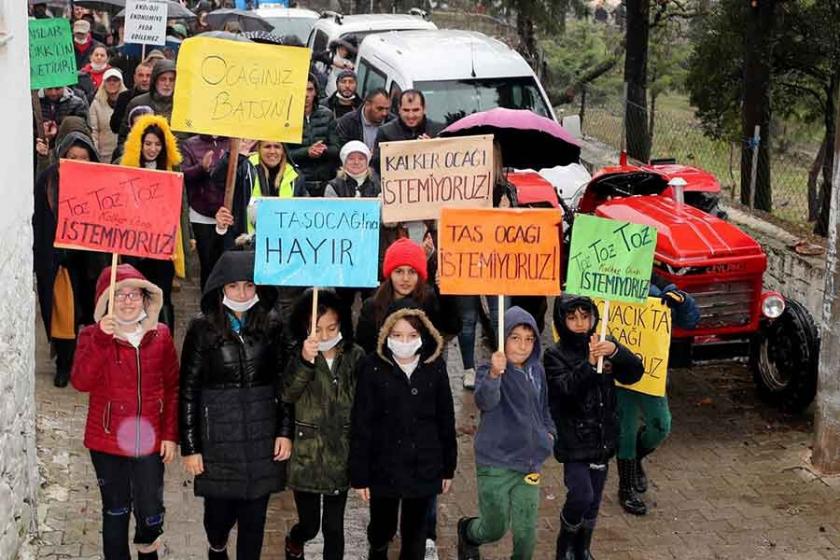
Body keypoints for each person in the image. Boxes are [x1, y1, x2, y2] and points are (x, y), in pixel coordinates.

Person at [180, 250, 293, 560]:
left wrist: (285, 431)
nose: (242, 293)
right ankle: (216, 547)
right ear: (220, 289)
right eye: (233, 286)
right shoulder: (201, 329)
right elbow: (188, 389)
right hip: (219, 441)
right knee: (218, 520)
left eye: (248, 285)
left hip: (261, 439)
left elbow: (284, 384)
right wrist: (190, 447)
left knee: (254, 523)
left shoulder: (272, 325)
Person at [71, 264, 179, 560]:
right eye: (119, 295)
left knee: (150, 511)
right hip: (107, 440)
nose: (128, 301)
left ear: (147, 300)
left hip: (149, 440)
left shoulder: (161, 336)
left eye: (134, 295)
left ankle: (148, 551)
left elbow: (172, 388)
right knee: (116, 511)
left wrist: (170, 434)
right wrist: (101, 340)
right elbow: (81, 381)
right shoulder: (92, 336)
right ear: (106, 301)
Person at [350, 301, 457, 560]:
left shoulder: (435, 367)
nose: (404, 342)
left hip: (424, 466)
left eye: (411, 335)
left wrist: (448, 467)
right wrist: (360, 474)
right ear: (386, 335)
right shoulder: (372, 367)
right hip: (383, 466)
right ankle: (377, 549)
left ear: (423, 335)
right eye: (397, 335)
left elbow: (446, 418)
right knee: (381, 527)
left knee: (415, 535)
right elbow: (361, 422)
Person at [545, 295, 644, 559]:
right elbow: (564, 391)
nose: (580, 323)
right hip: (574, 439)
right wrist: (589, 365)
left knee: (594, 500)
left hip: (603, 437)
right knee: (581, 494)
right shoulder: (554, 354)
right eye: (572, 317)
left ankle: (582, 546)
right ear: (561, 320)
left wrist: (615, 352)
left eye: (585, 316)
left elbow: (634, 373)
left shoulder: (603, 342)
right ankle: (564, 544)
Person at [457, 307, 556, 560]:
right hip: (496, 464)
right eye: (515, 338)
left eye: (529, 339)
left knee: (526, 536)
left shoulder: (537, 371)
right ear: (502, 340)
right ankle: (469, 532)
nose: (523, 346)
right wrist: (493, 374)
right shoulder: (488, 369)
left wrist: (549, 434)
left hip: (529, 464)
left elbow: (544, 407)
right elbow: (485, 401)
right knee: (494, 528)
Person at [282, 289, 366, 560]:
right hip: (306, 456)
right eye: (318, 329)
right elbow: (287, 393)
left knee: (333, 527)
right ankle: (295, 539)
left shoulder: (355, 356)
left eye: (332, 328)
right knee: (309, 524)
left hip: (339, 454)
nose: (326, 335)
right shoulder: (296, 353)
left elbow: (364, 400)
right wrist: (305, 361)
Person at [615, 283, 699, 516]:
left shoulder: (657, 290)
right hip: (618, 375)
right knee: (625, 429)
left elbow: (691, 320)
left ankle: (637, 456)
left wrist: (681, 302)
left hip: (649, 373)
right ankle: (626, 485)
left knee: (661, 424)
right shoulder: (602, 288)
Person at [33, 129, 107, 387]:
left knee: (91, 316)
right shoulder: (48, 180)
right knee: (64, 316)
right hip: (61, 262)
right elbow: (40, 222)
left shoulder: (100, 183)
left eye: (83, 157)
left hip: (91, 264)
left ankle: (87, 364)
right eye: (71, 155)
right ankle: (64, 364)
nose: (77, 161)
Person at [118, 114, 182, 332]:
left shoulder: (171, 172)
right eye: (148, 143)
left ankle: (165, 341)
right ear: (139, 143)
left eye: (157, 144)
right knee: (134, 294)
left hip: (162, 247)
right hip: (133, 245)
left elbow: (181, 207)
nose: (152, 149)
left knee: (161, 294)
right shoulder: (125, 168)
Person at [355, 238, 456, 354]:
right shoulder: (372, 306)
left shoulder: (429, 300)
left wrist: (445, 294)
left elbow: (451, 327)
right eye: (399, 271)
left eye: (412, 272)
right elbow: (364, 349)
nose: (405, 279)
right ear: (389, 274)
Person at [180, 134, 230, 289]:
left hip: (228, 215)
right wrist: (201, 168)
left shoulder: (233, 142)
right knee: (208, 266)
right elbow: (182, 175)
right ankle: (208, 307)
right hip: (201, 214)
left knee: (228, 267)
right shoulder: (190, 144)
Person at [287, 74, 339, 197]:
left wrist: (323, 150)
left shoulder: (327, 115)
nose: (306, 94)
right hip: (298, 181)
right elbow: (284, 153)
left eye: (310, 89)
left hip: (324, 182)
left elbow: (336, 148)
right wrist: (307, 151)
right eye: (302, 89)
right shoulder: (287, 117)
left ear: (316, 92)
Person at [371, 89, 444, 172]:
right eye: (406, 110)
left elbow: (448, 163)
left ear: (424, 109)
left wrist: (432, 147)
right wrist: (404, 149)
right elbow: (376, 166)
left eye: (416, 110)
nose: (411, 115)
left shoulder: (438, 130)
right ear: (399, 109)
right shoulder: (386, 132)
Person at [119, 59, 176, 147]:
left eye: (171, 79)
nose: (167, 83)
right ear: (155, 80)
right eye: (163, 79)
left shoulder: (184, 107)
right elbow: (124, 139)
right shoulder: (137, 103)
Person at [88, 68, 127, 164]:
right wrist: (95, 154)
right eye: (109, 80)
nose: (112, 83)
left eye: (115, 80)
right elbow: (93, 130)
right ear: (103, 83)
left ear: (120, 83)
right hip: (103, 156)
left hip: (124, 154)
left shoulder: (128, 101)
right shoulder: (96, 104)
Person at [336, 88, 392, 152]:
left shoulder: (393, 122)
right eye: (379, 109)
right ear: (367, 104)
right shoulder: (348, 122)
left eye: (387, 109)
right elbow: (342, 150)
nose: (384, 113)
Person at [110, 61, 153, 136]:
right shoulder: (124, 97)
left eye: (148, 76)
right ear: (134, 77)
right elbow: (114, 126)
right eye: (141, 75)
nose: (144, 79)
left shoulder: (158, 98)